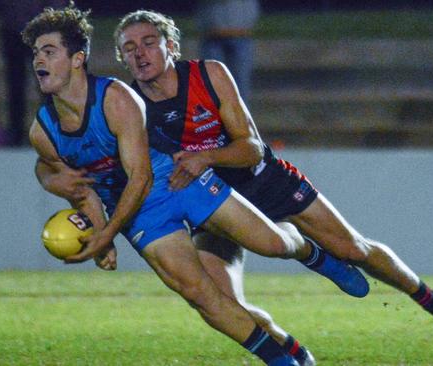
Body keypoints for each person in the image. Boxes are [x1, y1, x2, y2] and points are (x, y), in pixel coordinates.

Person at [110, 10, 433, 348]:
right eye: (129, 48)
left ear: (171, 46)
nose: (140, 54)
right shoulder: (130, 110)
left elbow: (252, 147)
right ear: (121, 58)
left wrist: (204, 156)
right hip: (214, 202)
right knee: (222, 307)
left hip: (263, 181)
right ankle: (292, 353)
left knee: (354, 249)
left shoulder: (209, 74)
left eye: (148, 43)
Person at [22, 4, 321, 365]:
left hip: (175, 181)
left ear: (76, 59)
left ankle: (306, 248)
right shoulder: (43, 131)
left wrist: (107, 233)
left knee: (272, 244)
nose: (39, 59)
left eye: (49, 51)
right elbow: (83, 187)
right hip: (138, 213)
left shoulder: (116, 98)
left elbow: (141, 176)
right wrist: (99, 233)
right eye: (36, 52)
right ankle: (286, 359)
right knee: (199, 294)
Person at [0, 0, 67, 146]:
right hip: (14, 29)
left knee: (47, 84)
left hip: (40, 31)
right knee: (16, 84)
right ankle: (16, 132)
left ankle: (52, 131)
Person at [196, 0, 259, 102]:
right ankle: (214, 116)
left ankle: (240, 116)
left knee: (240, 84)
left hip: (241, 36)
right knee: (212, 83)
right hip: (212, 37)